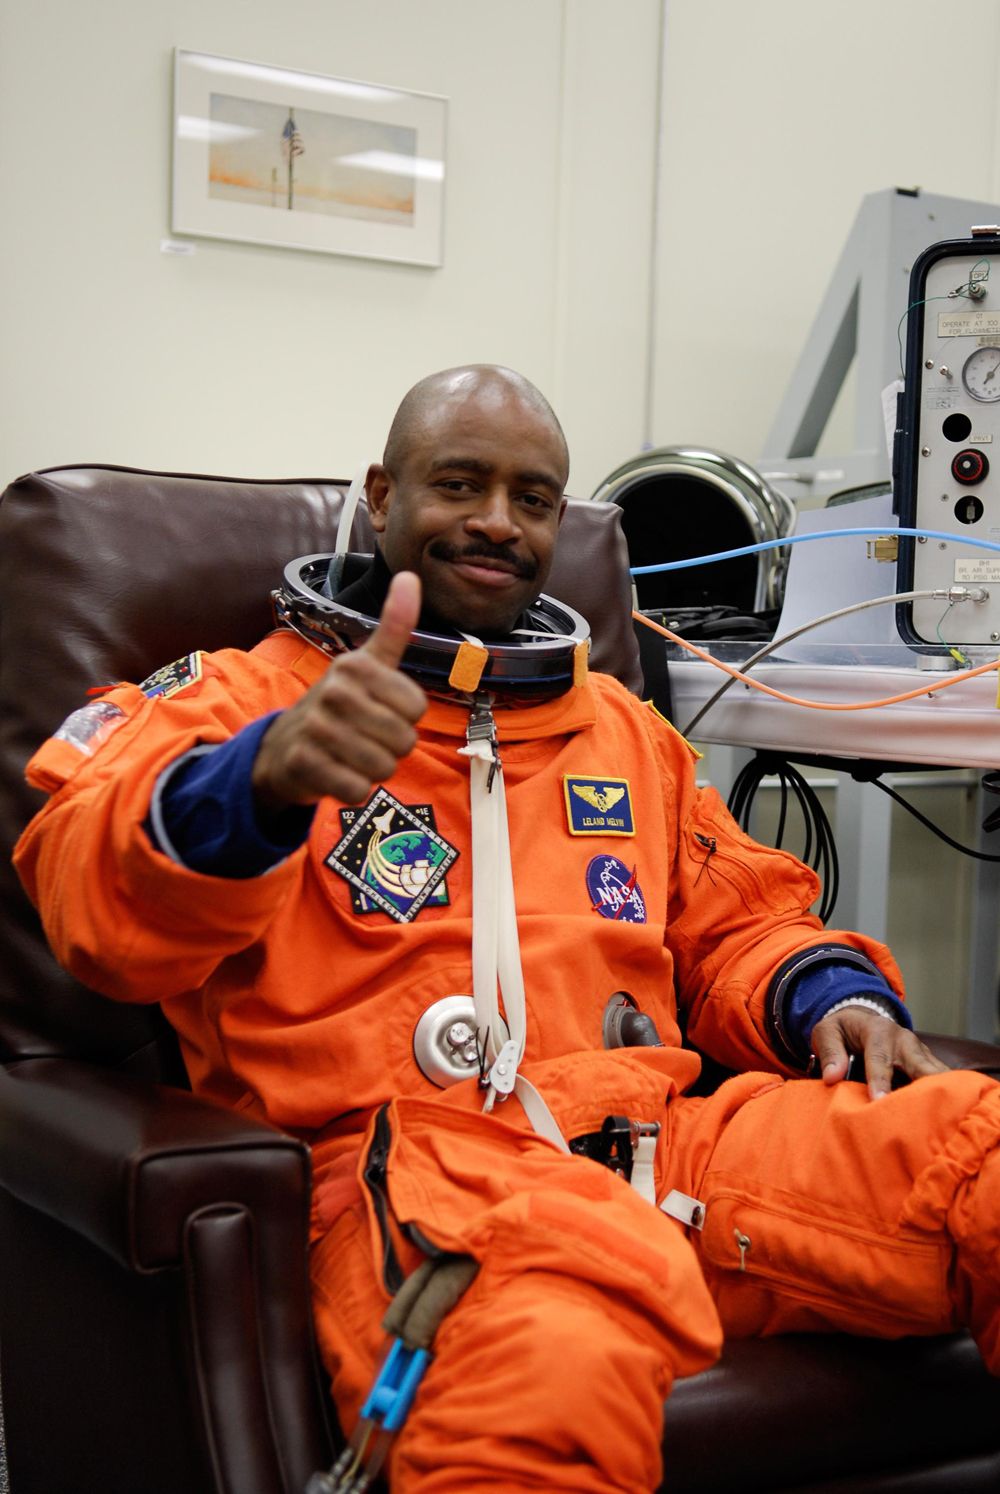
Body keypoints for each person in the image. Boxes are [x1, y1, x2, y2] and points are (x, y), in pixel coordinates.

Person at [14, 365, 1000, 1492]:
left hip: (661, 1153)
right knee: (545, 1372)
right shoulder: (238, 702)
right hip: (415, 1175)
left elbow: (741, 917)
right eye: (460, 483)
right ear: (381, 496)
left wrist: (833, 997)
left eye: (533, 498)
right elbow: (90, 895)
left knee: (981, 1158)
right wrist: (259, 787)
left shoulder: (624, 733)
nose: (498, 520)